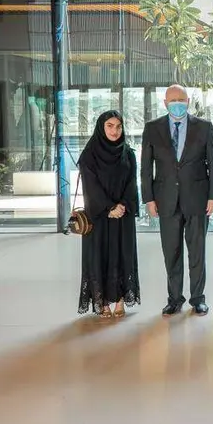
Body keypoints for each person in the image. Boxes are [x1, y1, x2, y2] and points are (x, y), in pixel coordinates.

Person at [140, 85, 213, 316]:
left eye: (181, 99)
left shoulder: (203, 127)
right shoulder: (152, 128)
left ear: (188, 101)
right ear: (165, 103)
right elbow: (146, 167)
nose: (177, 103)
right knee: (171, 252)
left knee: (197, 252)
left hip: (197, 199)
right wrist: (149, 199)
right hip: (165, 200)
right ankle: (174, 299)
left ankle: (198, 298)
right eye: (172, 99)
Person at [77, 111, 140, 318]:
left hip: (123, 216)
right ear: (101, 128)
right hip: (99, 217)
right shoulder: (89, 154)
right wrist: (108, 208)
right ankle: (102, 301)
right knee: (100, 256)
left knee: (123, 255)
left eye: (119, 126)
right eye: (110, 126)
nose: (115, 130)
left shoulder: (127, 153)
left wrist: (122, 205)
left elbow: (132, 184)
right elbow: (90, 186)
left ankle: (120, 299)